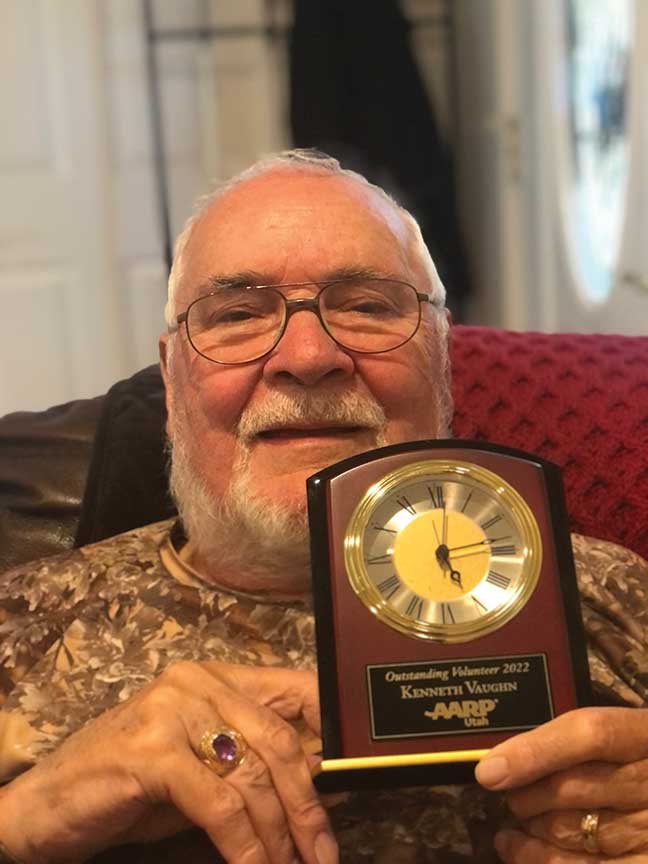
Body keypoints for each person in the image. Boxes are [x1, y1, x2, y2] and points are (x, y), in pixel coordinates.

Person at [0, 150, 646, 864]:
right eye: (238, 315)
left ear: (440, 355)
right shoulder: (24, 625)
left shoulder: (610, 596)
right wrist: (24, 817)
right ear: (172, 377)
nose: (307, 356)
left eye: (366, 307)